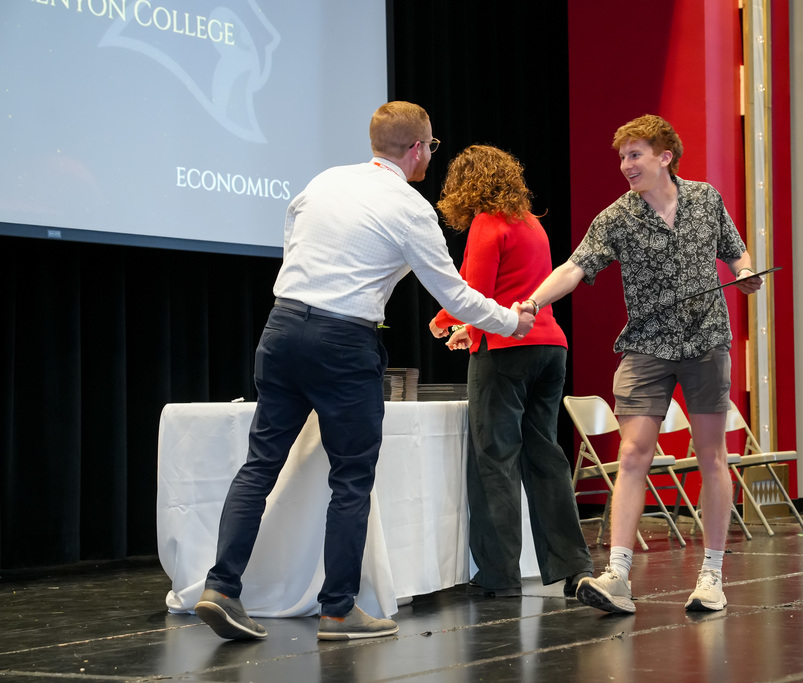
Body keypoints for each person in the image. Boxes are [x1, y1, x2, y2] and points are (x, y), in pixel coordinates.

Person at [194, 102, 536, 642]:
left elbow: (293, 239)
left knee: (259, 466)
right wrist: (512, 322)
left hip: (282, 327)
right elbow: (454, 295)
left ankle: (220, 588)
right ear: (417, 148)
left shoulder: (325, 181)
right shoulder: (410, 208)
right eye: (431, 147)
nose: (431, 155)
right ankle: (337, 611)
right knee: (350, 480)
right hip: (342, 342)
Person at [523, 114, 762, 614]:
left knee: (712, 455)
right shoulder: (617, 217)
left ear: (664, 156)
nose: (625, 165)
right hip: (647, 345)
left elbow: (736, 253)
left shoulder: (705, 199)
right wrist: (532, 303)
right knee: (633, 454)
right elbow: (574, 267)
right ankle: (617, 575)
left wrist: (744, 274)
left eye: (635, 155)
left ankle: (712, 577)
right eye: (622, 157)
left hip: (706, 342)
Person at [427, 145, 594, 599]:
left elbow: (474, 291)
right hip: (549, 347)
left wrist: (444, 321)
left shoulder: (487, 222)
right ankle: (573, 566)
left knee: (494, 461)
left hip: (506, 353)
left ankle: (498, 575)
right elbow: (514, 291)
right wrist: (470, 329)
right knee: (545, 458)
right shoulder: (532, 223)